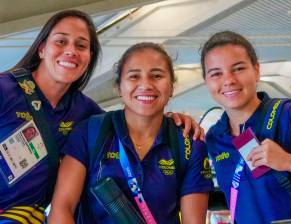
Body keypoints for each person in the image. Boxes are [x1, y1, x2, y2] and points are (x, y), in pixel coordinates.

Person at [0, 10, 199, 224]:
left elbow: (132, 123)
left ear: (89, 58)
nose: (70, 51)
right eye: (61, 41)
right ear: (41, 48)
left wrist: (166, 119)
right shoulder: (5, 89)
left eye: (81, 45)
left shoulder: (85, 111)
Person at [48, 42, 214, 224]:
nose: (146, 85)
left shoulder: (188, 143)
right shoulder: (90, 132)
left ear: (172, 87)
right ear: (119, 88)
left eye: (157, 76)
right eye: (134, 76)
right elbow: (62, 209)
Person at [201, 31, 291, 223]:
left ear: (257, 70)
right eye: (216, 73)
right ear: (206, 81)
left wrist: (289, 162)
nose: (228, 80)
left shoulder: (288, 115)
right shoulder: (214, 138)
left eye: (238, 69)